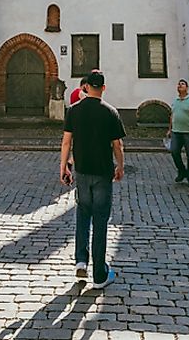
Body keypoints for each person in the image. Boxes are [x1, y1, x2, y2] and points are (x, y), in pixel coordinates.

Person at [60, 71, 125, 289]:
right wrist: (120, 166)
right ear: (103, 88)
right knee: (100, 222)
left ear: (86, 87)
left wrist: (64, 167)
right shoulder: (110, 112)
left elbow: (66, 142)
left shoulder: (74, 111)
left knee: (82, 215)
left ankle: (80, 260)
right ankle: (99, 274)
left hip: (83, 172)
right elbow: (117, 145)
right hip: (103, 173)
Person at [167, 79, 189, 186]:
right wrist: (169, 129)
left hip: (188, 132)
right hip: (176, 132)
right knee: (174, 152)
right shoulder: (175, 101)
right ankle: (182, 171)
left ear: (187, 88)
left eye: (182, 84)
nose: (180, 86)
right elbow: (172, 116)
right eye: (179, 84)